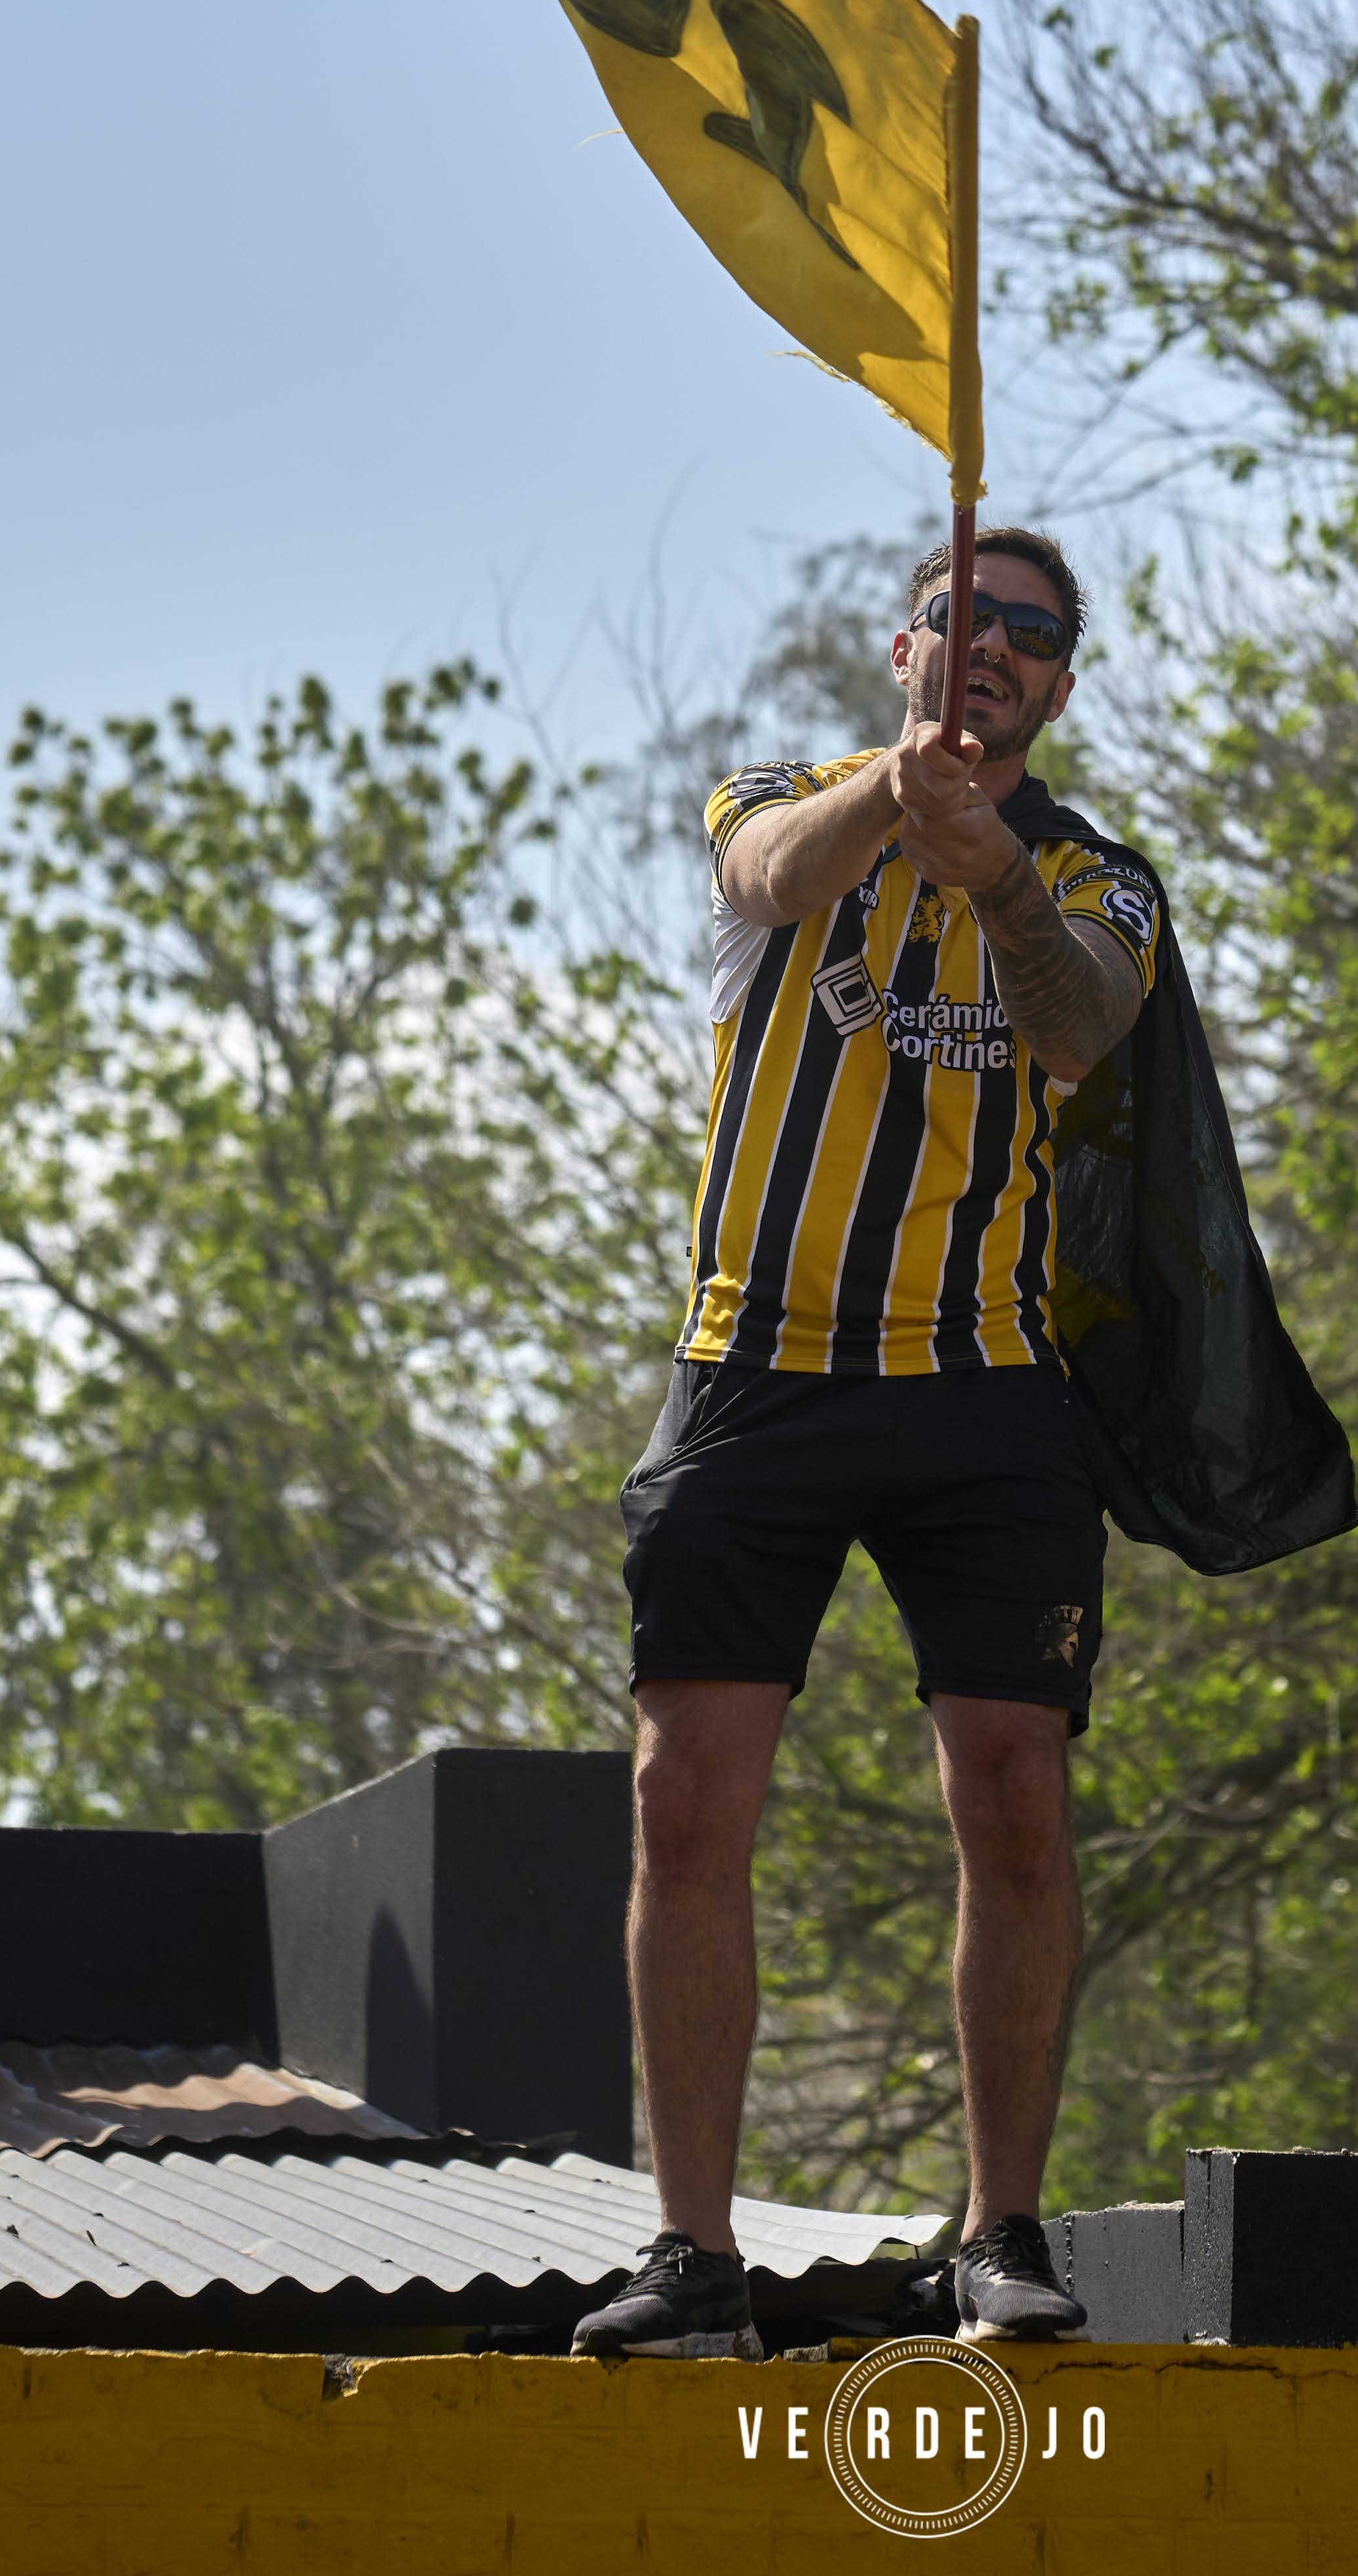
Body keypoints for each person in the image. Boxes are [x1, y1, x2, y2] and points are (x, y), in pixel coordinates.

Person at [572, 527, 1157, 2360]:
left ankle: (995, 2235)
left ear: (1061, 686)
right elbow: (760, 868)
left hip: (982, 1388)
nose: (990, 649)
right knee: (685, 1801)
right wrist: (896, 812)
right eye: (962, 619)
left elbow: (1079, 1031)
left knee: (1013, 1791)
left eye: (1030, 636)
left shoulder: (1100, 875)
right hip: (753, 1371)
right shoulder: (782, 790)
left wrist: (990, 874)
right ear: (904, 646)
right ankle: (692, 2258)